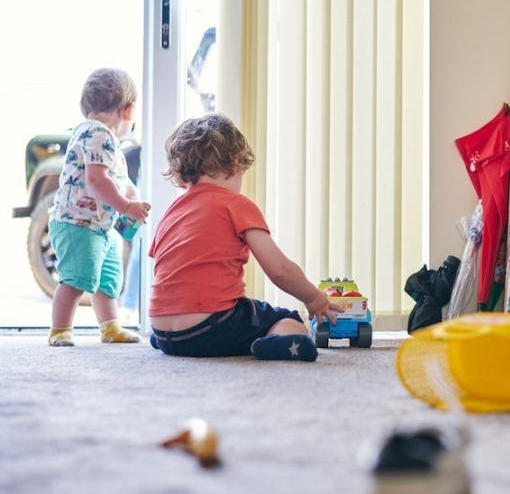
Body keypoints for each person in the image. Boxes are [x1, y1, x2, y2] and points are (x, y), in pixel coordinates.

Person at [148, 114, 341, 358]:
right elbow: (279, 269)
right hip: (211, 328)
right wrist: (314, 298)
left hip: (165, 332)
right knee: (286, 319)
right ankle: (277, 342)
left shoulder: (171, 213)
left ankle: (175, 338)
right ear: (234, 165)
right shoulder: (236, 204)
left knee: (232, 313)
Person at [48, 68, 151, 346]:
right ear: (128, 110)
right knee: (75, 278)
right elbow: (96, 179)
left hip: (98, 226)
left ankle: (110, 326)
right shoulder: (100, 134)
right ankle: (59, 329)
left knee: (107, 279)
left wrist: (129, 192)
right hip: (77, 223)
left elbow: (112, 177)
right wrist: (127, 205)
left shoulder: (96, 134)